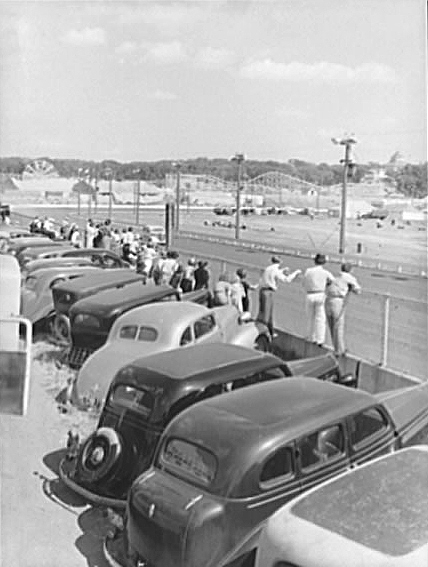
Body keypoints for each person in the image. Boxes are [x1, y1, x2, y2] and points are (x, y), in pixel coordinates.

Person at [257, 256, 301, 338]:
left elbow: (275, 273)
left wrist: (283, 270)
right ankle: (263, 333)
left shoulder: (268, 268)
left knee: (266, 312)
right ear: (280, 262)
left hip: (263, 290)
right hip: (268, 291)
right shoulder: (275, 271)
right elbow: (286, 280)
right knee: (266, 314)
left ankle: (270, 331)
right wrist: (296, 273)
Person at [325, 262, 361, 355]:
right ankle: (340, 350)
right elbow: (358, 290)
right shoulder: (349, 278)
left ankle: (336, 348)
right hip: (338, 301)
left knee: (331, 325)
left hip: (328, 299)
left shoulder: (335, 275)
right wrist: (351, 288)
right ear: (350, 270)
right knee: (338, 326)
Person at [302, 253, 334, 346]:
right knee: (320, 318)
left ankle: (310, 337)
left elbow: (304, 282)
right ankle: (320, 339)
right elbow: (332, 281)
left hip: (310, 294)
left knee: (310, 317)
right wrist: (327, 285)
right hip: (320, 294)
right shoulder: (325, 273)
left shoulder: (308, 271)